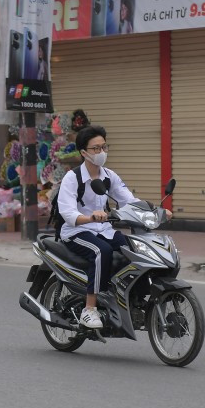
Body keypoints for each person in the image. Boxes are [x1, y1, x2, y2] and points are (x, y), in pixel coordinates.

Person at [58, 125, 171, 329]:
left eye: (104, 147)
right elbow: (67, 213)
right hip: (76, 231)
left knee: (136, 248)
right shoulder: (72, 178)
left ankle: (129, 297)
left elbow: (129, 201)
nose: (101, 152)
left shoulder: (109, 176)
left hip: (104, 229)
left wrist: (156, 211)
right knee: (102, 252)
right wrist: (91, 217)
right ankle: (89, 309)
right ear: (84, 152)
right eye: (96, 148)